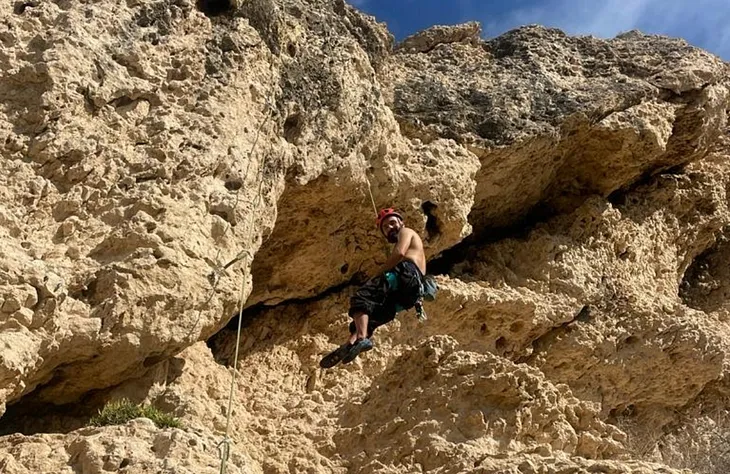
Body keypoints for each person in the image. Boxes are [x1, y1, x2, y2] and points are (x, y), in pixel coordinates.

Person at [320, 208, 428, 368]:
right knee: (370, 316)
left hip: (406, 275)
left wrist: (378, 274)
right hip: (411, 293)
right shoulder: (413, 246)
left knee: (362, 297)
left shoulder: (406, 231)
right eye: (385, 228)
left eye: (392, 223)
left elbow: (398, 253)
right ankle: (351, 343)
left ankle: (362, 338)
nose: (390, 228)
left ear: (401, 222)